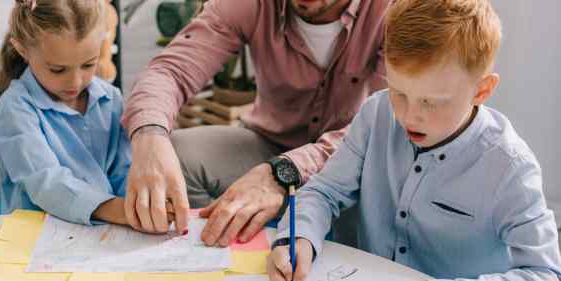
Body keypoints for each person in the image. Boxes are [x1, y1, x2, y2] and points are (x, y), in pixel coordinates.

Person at [267, 0, 561, 280]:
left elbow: (544, 273)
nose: (410, 116)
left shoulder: (511, 167)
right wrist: (299, 237)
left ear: (481, 91)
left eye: (432, 102)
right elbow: (324, 191)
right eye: (398, 92)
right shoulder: (376, 113)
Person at [122, 0, 391, 245]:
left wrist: (283, 173)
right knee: (178, 152)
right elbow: (171, 71)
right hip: (269, 144)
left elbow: (383, 123)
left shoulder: (393, 10)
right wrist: (149, 135)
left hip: (349, 164)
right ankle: (218, 255)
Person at [0, 0, 132, 226]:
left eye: (88, 65)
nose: (75, 82)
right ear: (22, 49)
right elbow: (47, 184)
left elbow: (125, 171)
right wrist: (119, 210)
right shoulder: (15, 108)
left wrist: (141, 203)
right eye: (58, 70)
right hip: (37, 240)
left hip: (106, 235)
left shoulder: (111, 99)